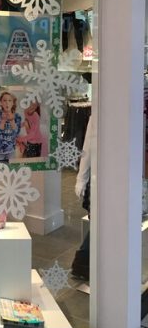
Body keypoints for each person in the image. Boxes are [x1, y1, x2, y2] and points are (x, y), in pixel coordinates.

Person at [71, 116, 91, 280]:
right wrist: (81, 179)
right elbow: (88, 149)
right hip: (104, 181)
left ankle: (82, 263)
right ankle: (82, 263)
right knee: (100, 223)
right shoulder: (99, 115)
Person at [0, 91, 22, 160]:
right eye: (4, 100)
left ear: (13, 103)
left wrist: (12, 121)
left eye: (10, 100)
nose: (7, 103)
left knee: (12, 165)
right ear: (0, 103)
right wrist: (3, 120)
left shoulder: (17, 116)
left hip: (11, 149)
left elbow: (16, 133)